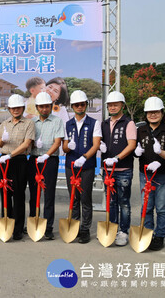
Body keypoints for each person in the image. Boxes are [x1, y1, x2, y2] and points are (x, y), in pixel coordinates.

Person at [62, 90, 102, 243]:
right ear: (72, 106)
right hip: (71, 166)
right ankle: (75, 226)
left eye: (82, 104)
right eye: (76, 104)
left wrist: (84, 157)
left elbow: (96, 144)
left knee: (85, 198)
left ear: (86, 105)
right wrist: (68, 147)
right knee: (73, 198)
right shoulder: (68, 124)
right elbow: (64, 148)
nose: (79, 106)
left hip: (87, 166)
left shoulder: (93, 123)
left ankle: (85, 229)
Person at [134, 96, 165, 251]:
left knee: (162, 207)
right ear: (146, 114)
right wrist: (137, 153)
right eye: (150, 112)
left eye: (156, 112)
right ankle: (148, 232)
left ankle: (159, 236)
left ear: (162, 113)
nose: (153, 115)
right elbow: (136, 151)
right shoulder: (141, 130)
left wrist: (160, 154)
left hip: (163, 174)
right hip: (145, 175)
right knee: (147, 206)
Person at [0, 94, 35, 240]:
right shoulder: (4, 123)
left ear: (22, 108)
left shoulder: (29, 123)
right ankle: (6, 223)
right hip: (4, 161)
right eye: (13, 108)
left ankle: (17, 228)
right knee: (4, 194)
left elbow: (26, 144)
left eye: (18, 108)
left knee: (18, 194)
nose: (15, 110)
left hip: (19, 161)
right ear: (9, 109)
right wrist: (2, 140)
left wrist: (10, 155)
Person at [100, 91, 136, 246]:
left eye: (116, 104)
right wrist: (100, 147)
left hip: (123, 170)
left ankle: (123, 231)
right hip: (107, 171)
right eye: (110, 105)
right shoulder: (104, 123)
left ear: (122, 105)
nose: (113, 107)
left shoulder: (128, 123)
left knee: (124, 202)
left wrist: (116, 158)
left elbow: (132, 145)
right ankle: (112, 228)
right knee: (111, 201)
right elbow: (100, 141)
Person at [27, 92, 65, 240]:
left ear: (51, 106)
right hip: (34, 159)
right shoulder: (32, 122)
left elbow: (57, 142)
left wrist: (47, 155)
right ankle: (33, 221)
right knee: (33, 193)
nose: (44, 109)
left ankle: (48, 227)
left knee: (48, 194)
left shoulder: (57, 121)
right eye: (41, 107)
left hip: (50, 160)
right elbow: (28, 140)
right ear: (37, 107)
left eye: (47, 106)